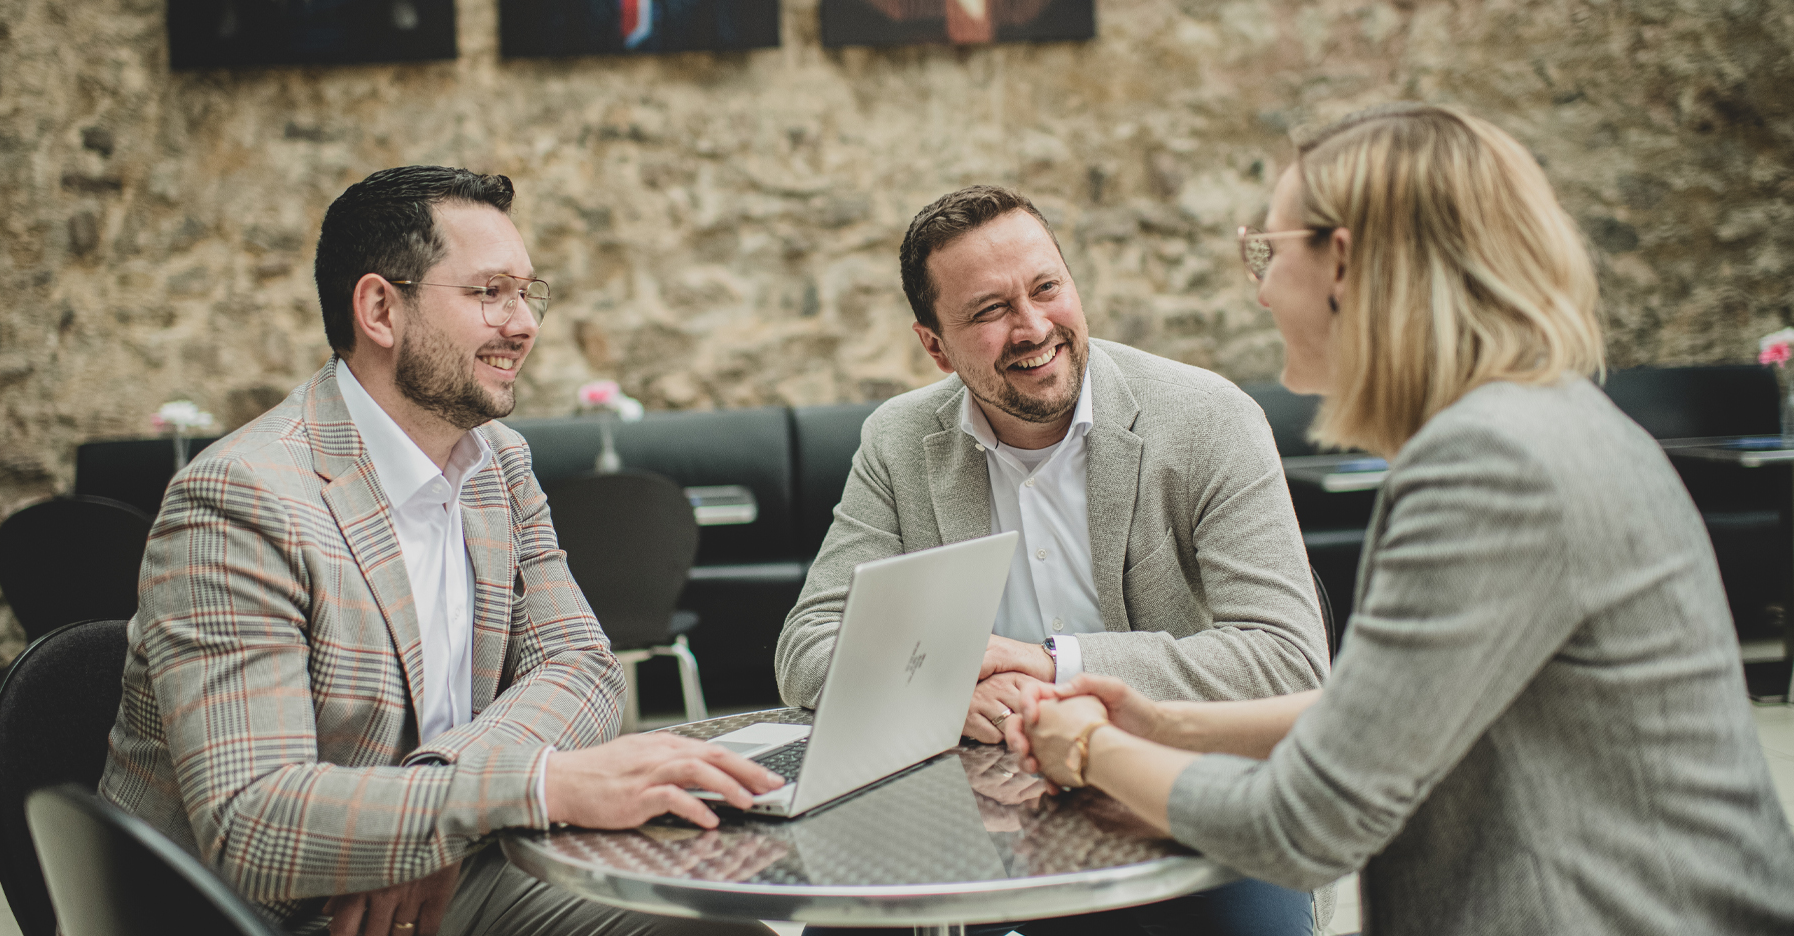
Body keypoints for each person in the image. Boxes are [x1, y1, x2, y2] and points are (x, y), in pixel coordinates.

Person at [1012, 103, 1794, 935]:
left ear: (1342, 262)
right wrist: (1167, 722)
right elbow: (1389, 712)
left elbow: (1306, 824)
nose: (1259, 289)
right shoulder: (1532, 421)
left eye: (1266, 250)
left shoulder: (1491, 465)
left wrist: (1091, 751)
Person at [100, 166, 784, 936]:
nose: (523, 323)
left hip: (455, 868)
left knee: (724, 928)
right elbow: (255, 824)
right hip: (274, 916)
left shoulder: (498, 460)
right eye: (490, 292)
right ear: (380, 309)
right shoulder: (239, 501)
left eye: (529, 293)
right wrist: (533, 787)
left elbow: (582, 667)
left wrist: (435, 818)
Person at [778, 185, 1329, 934]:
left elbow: (1287, 661)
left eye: (1046, 288)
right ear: (934, 344)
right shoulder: (898, 441)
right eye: (989, 310)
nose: (1033, 327)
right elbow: (807, 645)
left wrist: (1050, 664)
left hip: (1190, 806)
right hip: (975, 820)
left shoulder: (1207, 419)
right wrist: (936, 695)